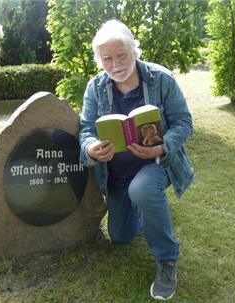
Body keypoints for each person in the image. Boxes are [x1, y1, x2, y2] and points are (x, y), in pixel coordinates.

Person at [79, 20, 194, 301]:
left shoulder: (161, 79)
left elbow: (183, 121)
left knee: (142, 190)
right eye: (107, 59)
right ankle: (148, 210)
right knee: (119, 236)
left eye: (122, 55)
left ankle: (167, 261)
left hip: (155, 164)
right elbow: (85, 129)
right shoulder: (95, 88)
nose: (116, 64)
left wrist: (162, 146)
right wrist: (92, 147)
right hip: (116, 172)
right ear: (100, 60)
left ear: (134, 50)